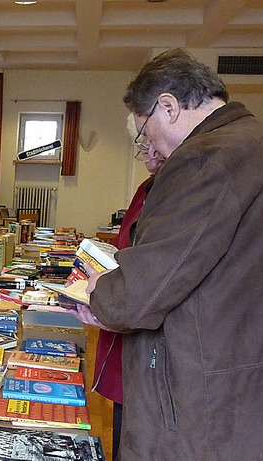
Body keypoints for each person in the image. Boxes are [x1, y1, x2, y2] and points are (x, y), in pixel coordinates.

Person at [76, 48, 263, 459]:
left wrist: (97, 289)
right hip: (238, 378)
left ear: (169, 106)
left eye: (145, 132)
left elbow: (138, 293)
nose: (150, 145)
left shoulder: (204, 158)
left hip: (194, 392)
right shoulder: (255, 142)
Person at [91, 114, 165, 459]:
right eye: (143, 147)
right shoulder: (147, 188)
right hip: (128, 331)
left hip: (152, 349)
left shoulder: (179, 192)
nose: (150, 158)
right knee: (123, 434)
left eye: (154, 145)